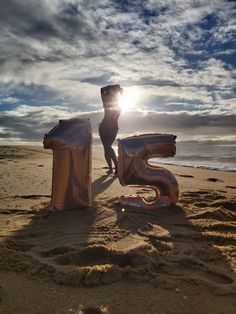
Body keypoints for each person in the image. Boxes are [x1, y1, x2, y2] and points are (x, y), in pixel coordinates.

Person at [99, 84, 123, 175]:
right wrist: (111, 86)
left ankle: (117, 167)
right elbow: (101, 89)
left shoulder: (118, 102)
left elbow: (122, 91)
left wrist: (116, 87)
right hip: (103, 127)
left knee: (108, 146)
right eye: (110, 92)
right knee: (106, 148)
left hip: (112, 128)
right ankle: (111, 168)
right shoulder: (106, 101)